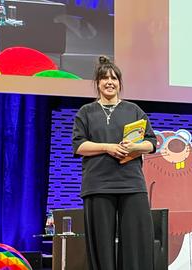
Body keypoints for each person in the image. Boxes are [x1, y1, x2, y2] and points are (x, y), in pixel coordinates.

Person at [72, 56, 157, 270]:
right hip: (97, 185)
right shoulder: (86, 112)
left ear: (120, 82)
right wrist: (108, 147)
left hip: (131, 184)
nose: (110, 82)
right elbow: (79, 146)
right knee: (101, 243)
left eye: (114, 78)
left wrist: (133, 147)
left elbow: (152, 144)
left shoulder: (134, 110)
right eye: (104, 78)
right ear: (97, 83)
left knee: (136, 242)